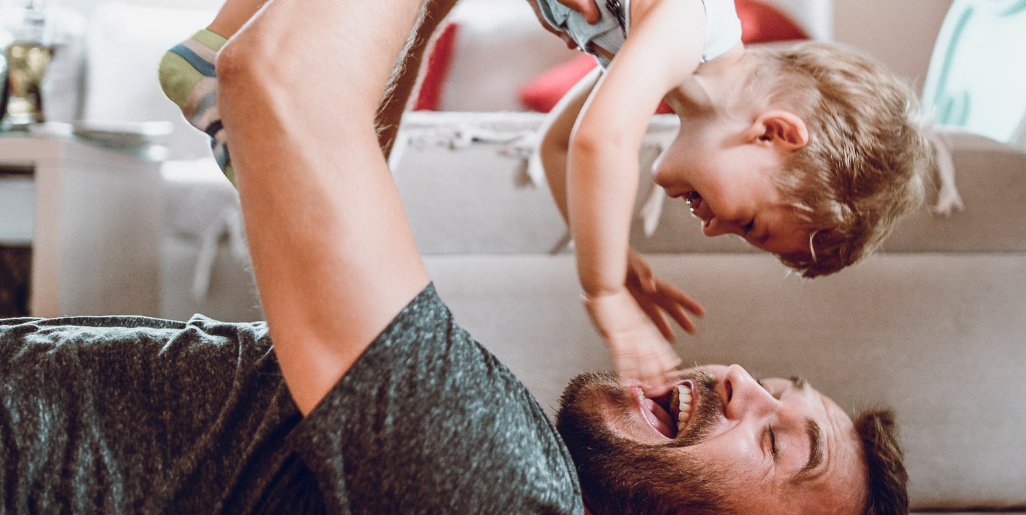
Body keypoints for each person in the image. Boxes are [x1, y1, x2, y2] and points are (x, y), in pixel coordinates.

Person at [0, 0, 908, 515]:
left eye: (779, 442)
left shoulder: (493, 504)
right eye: (776, 387)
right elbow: (314, 154)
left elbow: (280, 87)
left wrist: (606, 286)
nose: (739, 382)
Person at [158, 0, 932, 384]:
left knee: (364, 143)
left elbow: (559, 141)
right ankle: (249, 75)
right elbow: (602, 140)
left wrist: (616, 249)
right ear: (776, 134)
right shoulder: (692, 26)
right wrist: (606, 297)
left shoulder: (661, 70)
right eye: (756, 225)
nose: (715, 231)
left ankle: (216, 50)